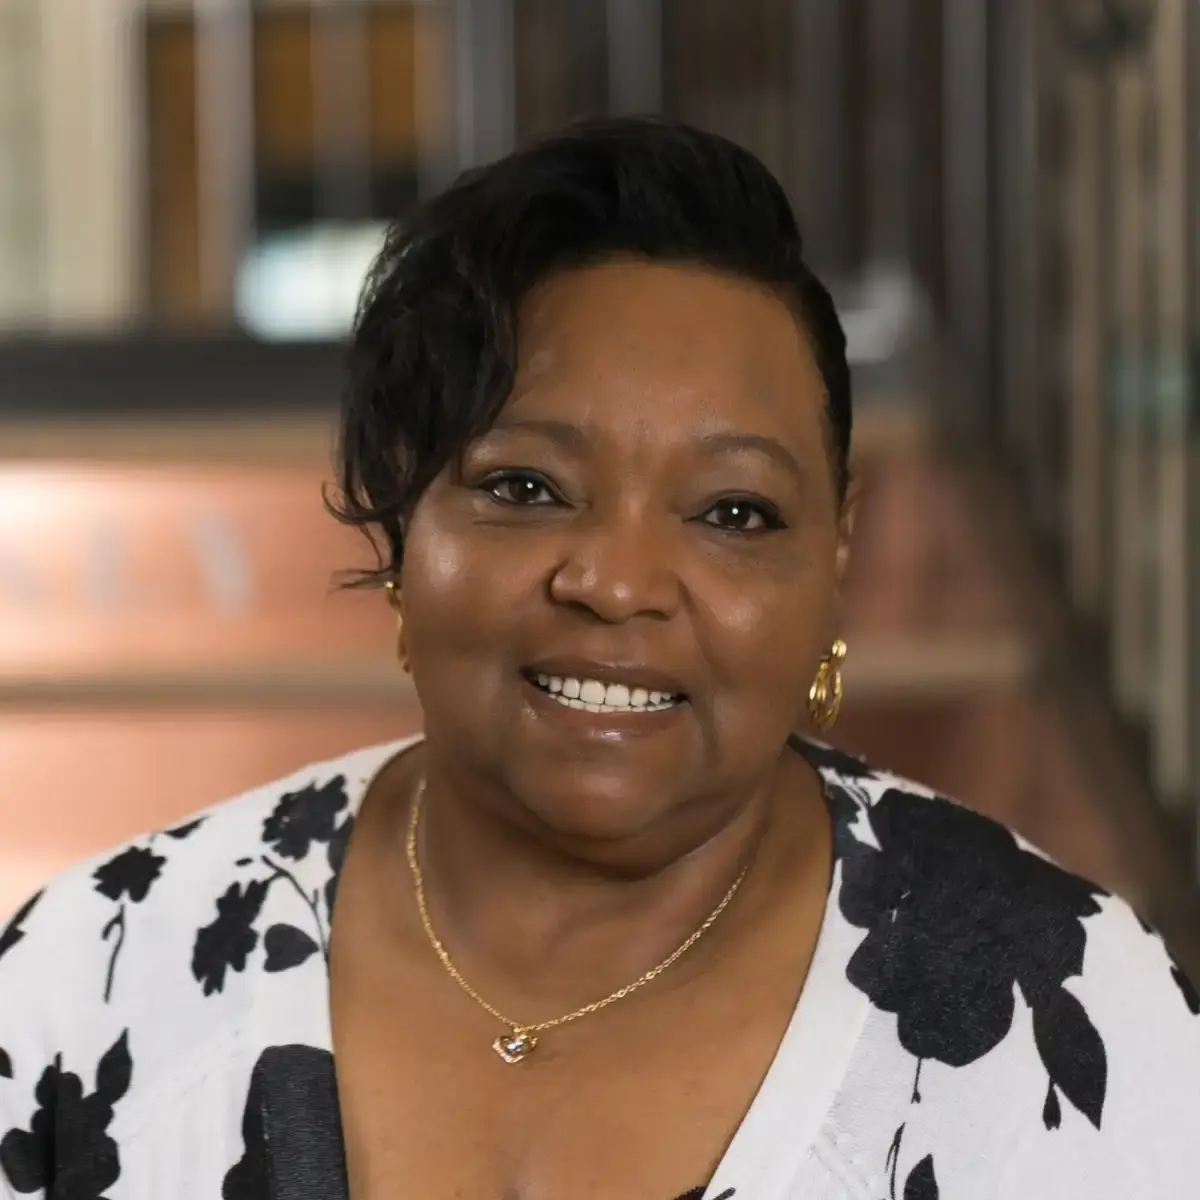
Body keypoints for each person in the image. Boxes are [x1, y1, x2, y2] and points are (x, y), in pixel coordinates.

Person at [1, 117, 1197, 1200]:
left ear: (834, 552)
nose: (617, 584)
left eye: (733, 512)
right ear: (400, 529)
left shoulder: (1062, 1019)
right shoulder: (95, 978)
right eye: (525, 487)